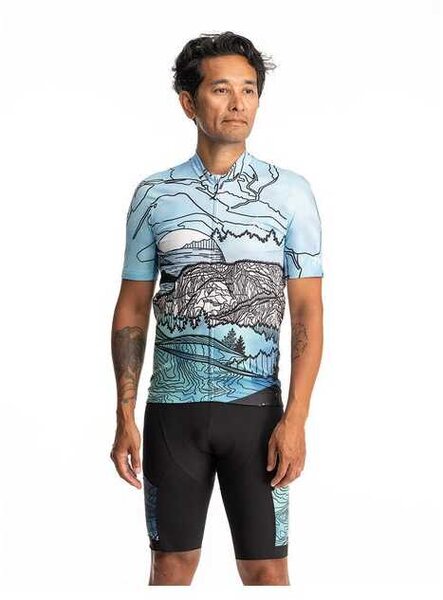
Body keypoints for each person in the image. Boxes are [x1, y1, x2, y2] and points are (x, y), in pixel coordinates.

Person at [110, 30, 324, 586]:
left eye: (249, 90)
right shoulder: (153, 195)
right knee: (170, 568)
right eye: (221, 89)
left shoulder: (291, 193)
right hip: (170, 416)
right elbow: (132, 308)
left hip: (258, 415)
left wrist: (296, 418)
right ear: (189, 101)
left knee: (267, 571)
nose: (237, 104)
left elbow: (307, 313)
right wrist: (124, 413)